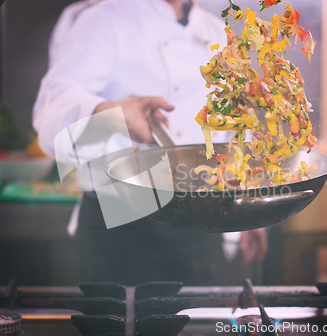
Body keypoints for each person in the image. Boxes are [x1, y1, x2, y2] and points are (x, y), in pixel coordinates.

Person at [33, 0, 267, 285]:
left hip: (201, 228)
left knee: (200, 326)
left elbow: (229, 136)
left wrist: (243, 209)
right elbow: (48, 116)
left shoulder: (217, 32)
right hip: (122, 230)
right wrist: (114, 115)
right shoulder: (103, 20)